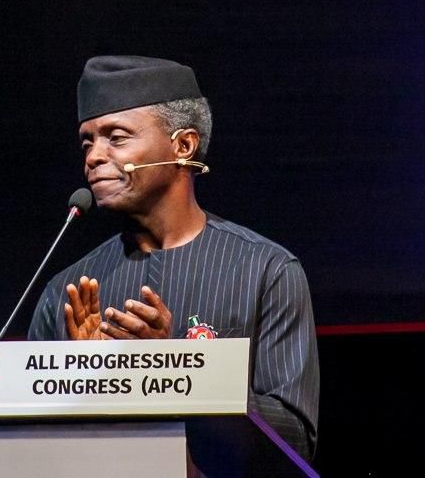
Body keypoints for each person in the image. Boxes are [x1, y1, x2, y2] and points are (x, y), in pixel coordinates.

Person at [27, 55, 319, 463]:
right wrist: (85, 381)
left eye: (116, 137)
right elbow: (30, 439)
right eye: (87, 142)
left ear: (183, 146)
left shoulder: (266, 271)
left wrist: (175, 371)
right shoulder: (66, 291)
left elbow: (294, 441)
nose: (93, 157)